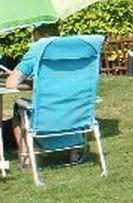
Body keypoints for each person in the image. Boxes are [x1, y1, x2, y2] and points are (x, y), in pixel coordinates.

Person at [5, 28, 81, 168]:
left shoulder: (37, 51)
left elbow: (10, 83)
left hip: (46, 118)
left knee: (18, 108)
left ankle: (26, 158)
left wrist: (33, 84)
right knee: (66, 100)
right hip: (75, 114)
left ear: (36, 35)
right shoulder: (76, 51)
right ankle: (74, 153)